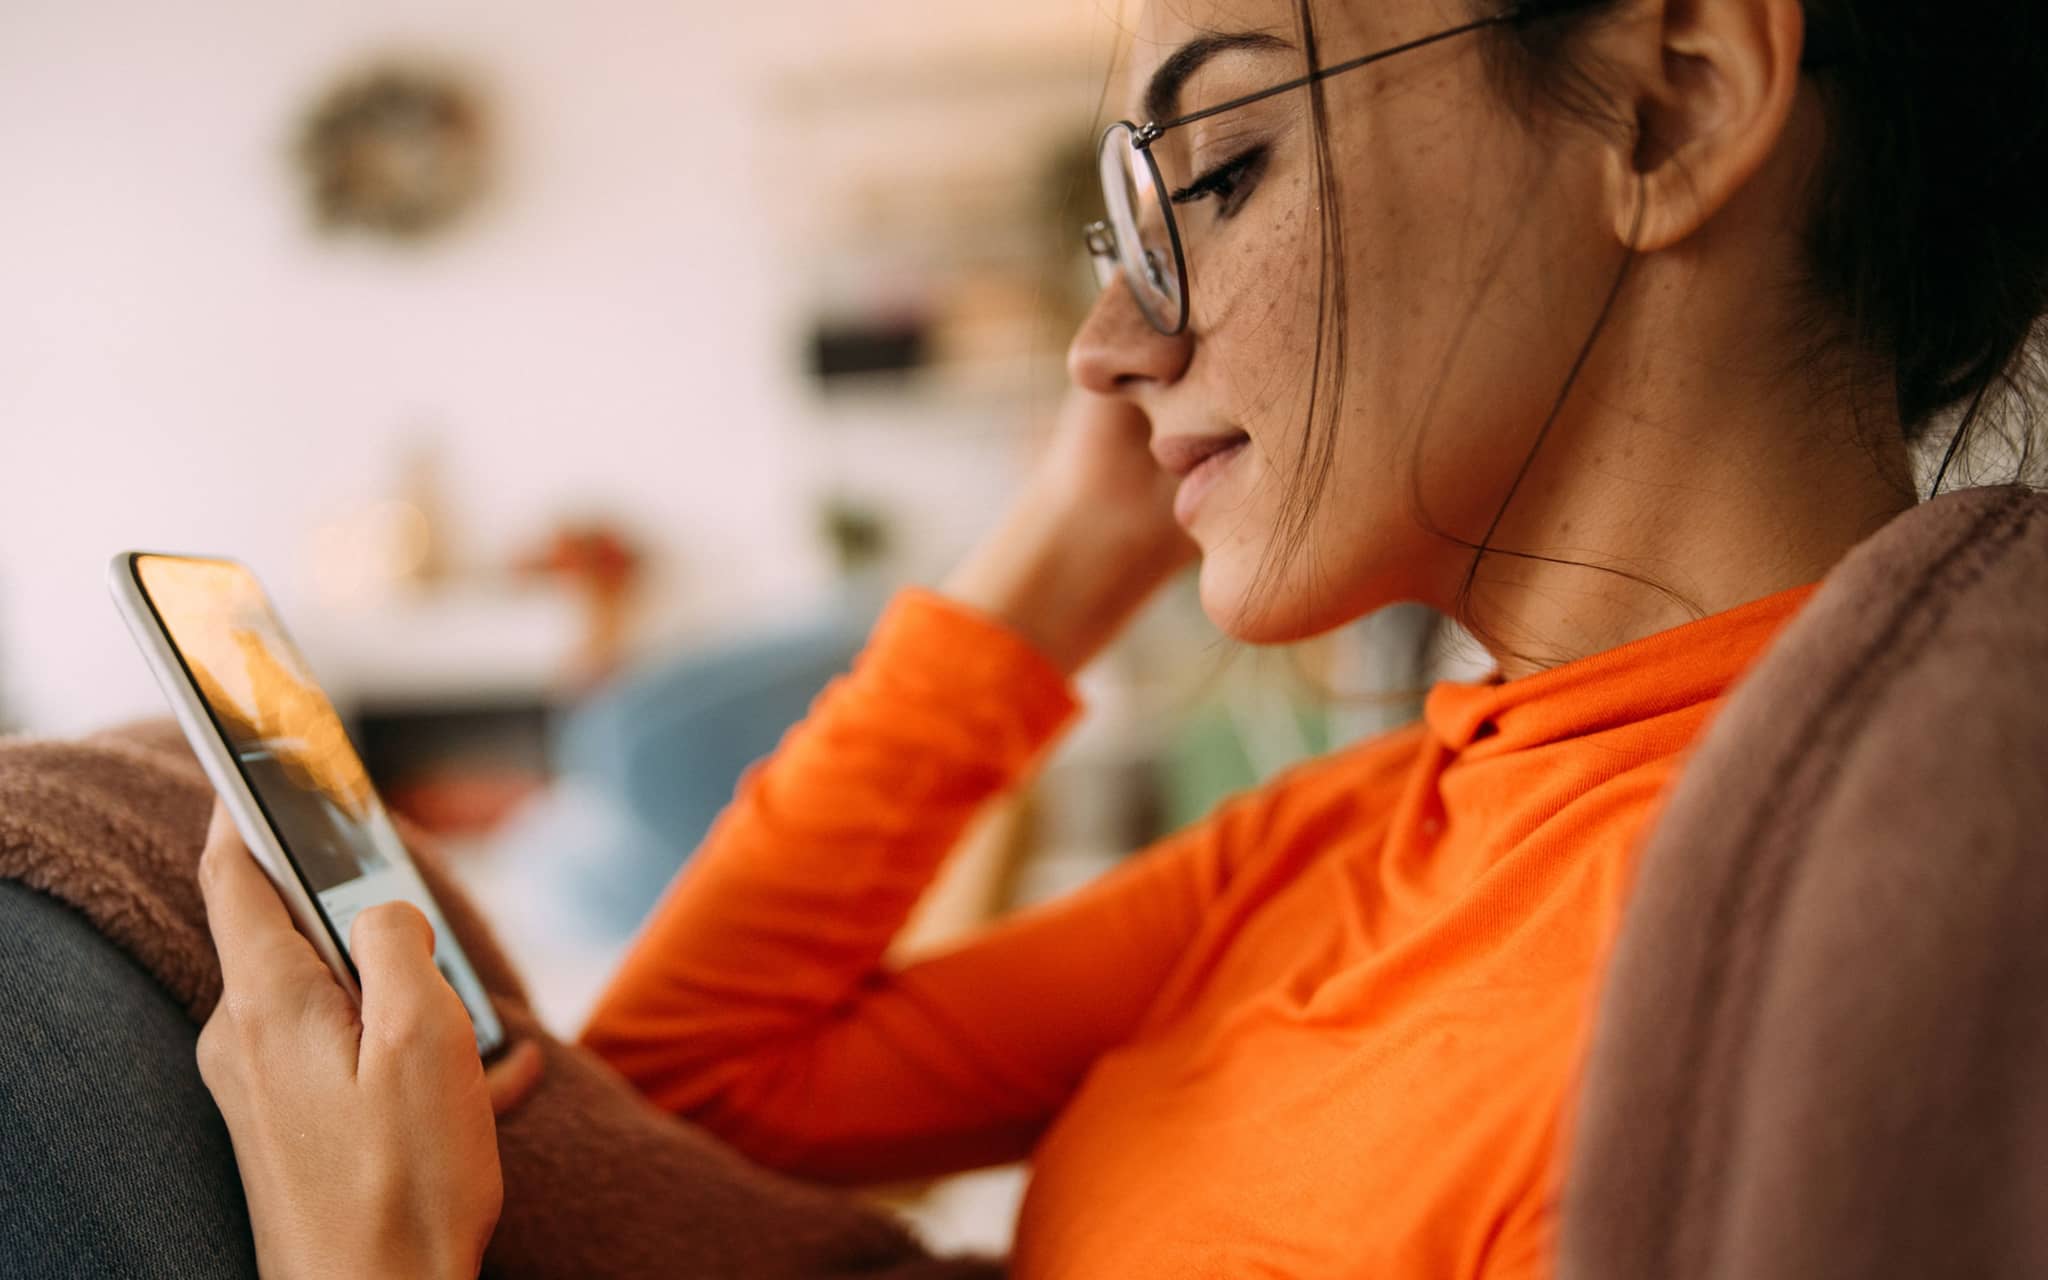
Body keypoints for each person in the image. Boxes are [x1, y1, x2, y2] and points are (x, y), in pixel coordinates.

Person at [194, 0, 2047, 1275]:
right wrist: (1068, 556)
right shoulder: (1399, 817)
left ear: (1676, 99)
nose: (1105, 346)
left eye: (1217, 170)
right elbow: (689, 1095)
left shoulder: (1774, 1004)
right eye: (1119, 228)